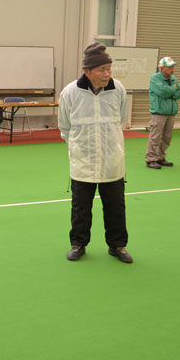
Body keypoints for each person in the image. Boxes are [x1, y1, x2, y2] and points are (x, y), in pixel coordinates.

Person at [58, 43, 133, 264]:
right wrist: (78, 148)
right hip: (83, 161)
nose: (107, 74)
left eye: (109, 69)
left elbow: (119, 119)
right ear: (87, 71)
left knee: (116, 207)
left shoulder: (118, 89)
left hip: (112, 160)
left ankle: (117, 245)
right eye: (102, 69)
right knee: (81, 207)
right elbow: (64, 127)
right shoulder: (70, 92)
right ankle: (78, 244)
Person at [145, 56, 180, 169]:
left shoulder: (173, 79)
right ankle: (150, 159)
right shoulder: (155, 78)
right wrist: (173, 90)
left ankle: (160, 157)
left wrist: (173, 91)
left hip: (171, 113)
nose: (172, 69)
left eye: (173, 67)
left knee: (167, 137)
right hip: (159, 113)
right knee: (155, 137)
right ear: (162, 68)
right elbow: (162, 91)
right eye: (169, 67)